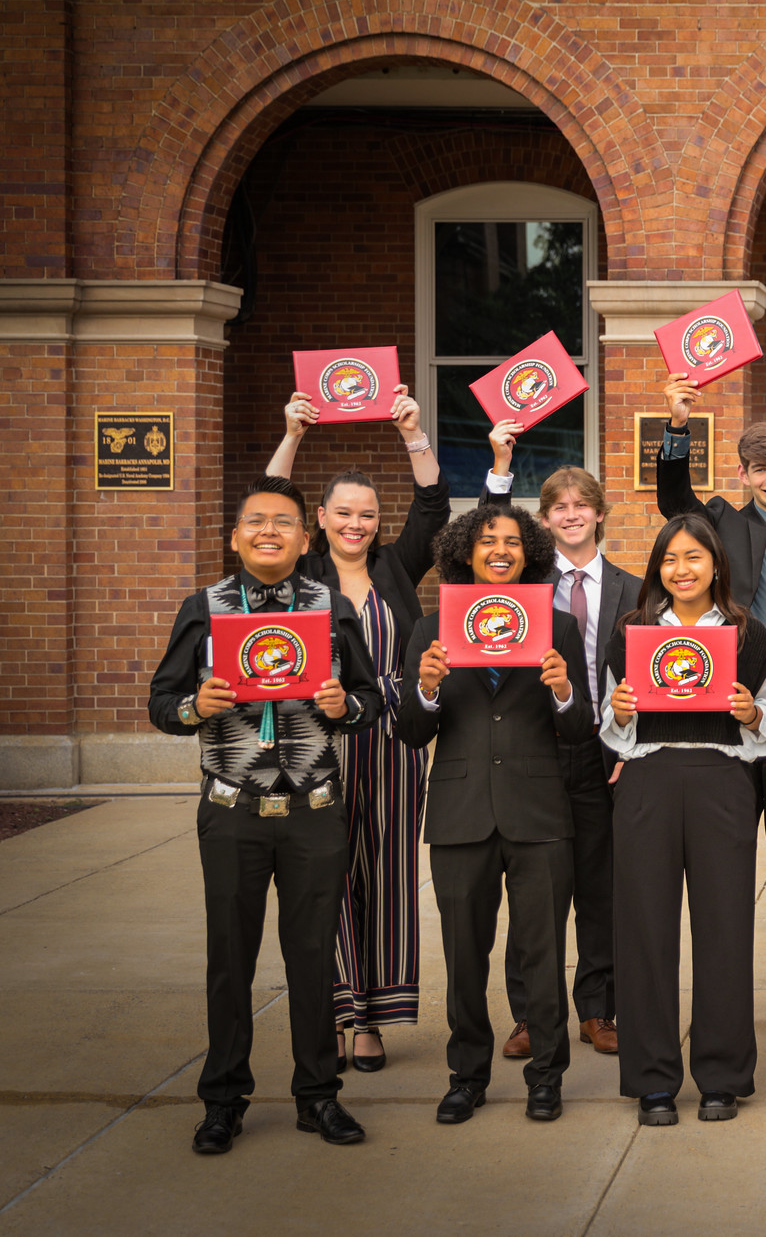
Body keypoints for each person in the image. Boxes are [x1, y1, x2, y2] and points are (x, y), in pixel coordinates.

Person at [151, 476, 382, 1154]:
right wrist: (198, 704)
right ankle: (222, 1100)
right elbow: (163, 701)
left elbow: (371, 698)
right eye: (255, 521)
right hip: (232, 810)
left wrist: (347, 706)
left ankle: (318, 1097)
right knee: (230, 958)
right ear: (235, 535)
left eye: (283, 522)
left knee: (311, 957)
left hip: (313, 809)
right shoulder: (206, 606)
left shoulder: (331, 607)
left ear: (304, 538)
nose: (269, 531)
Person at [266, 385, 448, 1073]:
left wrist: (413, 433)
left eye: (367, 514)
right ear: (319, 517)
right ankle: (347, 1012)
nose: (357, 523)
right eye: (343, 512)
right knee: (328, 874)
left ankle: (380, 1008)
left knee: (389, 874)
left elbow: (432, 509)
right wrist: (293, 433)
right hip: (319, 745)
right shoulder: (302, 571)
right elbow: (270, 506)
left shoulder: (396, 570)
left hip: (394, 742)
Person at [396, 502, 592, 1126]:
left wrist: (563, 692)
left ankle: (546, 1077)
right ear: (465, 553)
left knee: (541, 952)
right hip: (460, 814)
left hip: (538, 814)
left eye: (512, 541)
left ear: (530, 553)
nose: (500, 550)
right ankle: (466, 1076)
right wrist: (425, 689)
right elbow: (408, 730)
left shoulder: (557, 627)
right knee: (463, 956)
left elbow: (582, 729)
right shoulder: (431, 629)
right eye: (487, 542)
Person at [657, 377, 766, 1042]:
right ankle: (723, 993)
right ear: (744, 472)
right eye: (758, 467)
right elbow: (674, 498)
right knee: (724, 864)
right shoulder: (721, 522)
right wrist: (678, 424)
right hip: (728, 709)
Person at [601, 512, 766, 1124]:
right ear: (658, 568)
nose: (681, 570)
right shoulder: (630, 632)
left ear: (716, 566)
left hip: (722, 781)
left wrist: (752, 713)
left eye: (694, 558)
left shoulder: (748, 635)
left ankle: (722, 1076)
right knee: (645, 930)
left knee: (725, 929)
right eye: (670, 559)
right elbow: (610, 725)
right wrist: (622, 712)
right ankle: (652, 1079)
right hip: (648, 780)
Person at [483, 435, 637, 1059]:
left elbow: (647, 673)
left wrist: (632, 746)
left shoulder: (634, 589)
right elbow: (487, 526)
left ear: (600, 513)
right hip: (538, 752)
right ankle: (528, 1013)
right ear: (542, 520)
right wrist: (499, 467)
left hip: (606, 753)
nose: (572, 514)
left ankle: (598, 1009)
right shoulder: (520, 587)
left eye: (583, 504)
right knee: (535, 894)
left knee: (601, 891)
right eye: (559, 507)